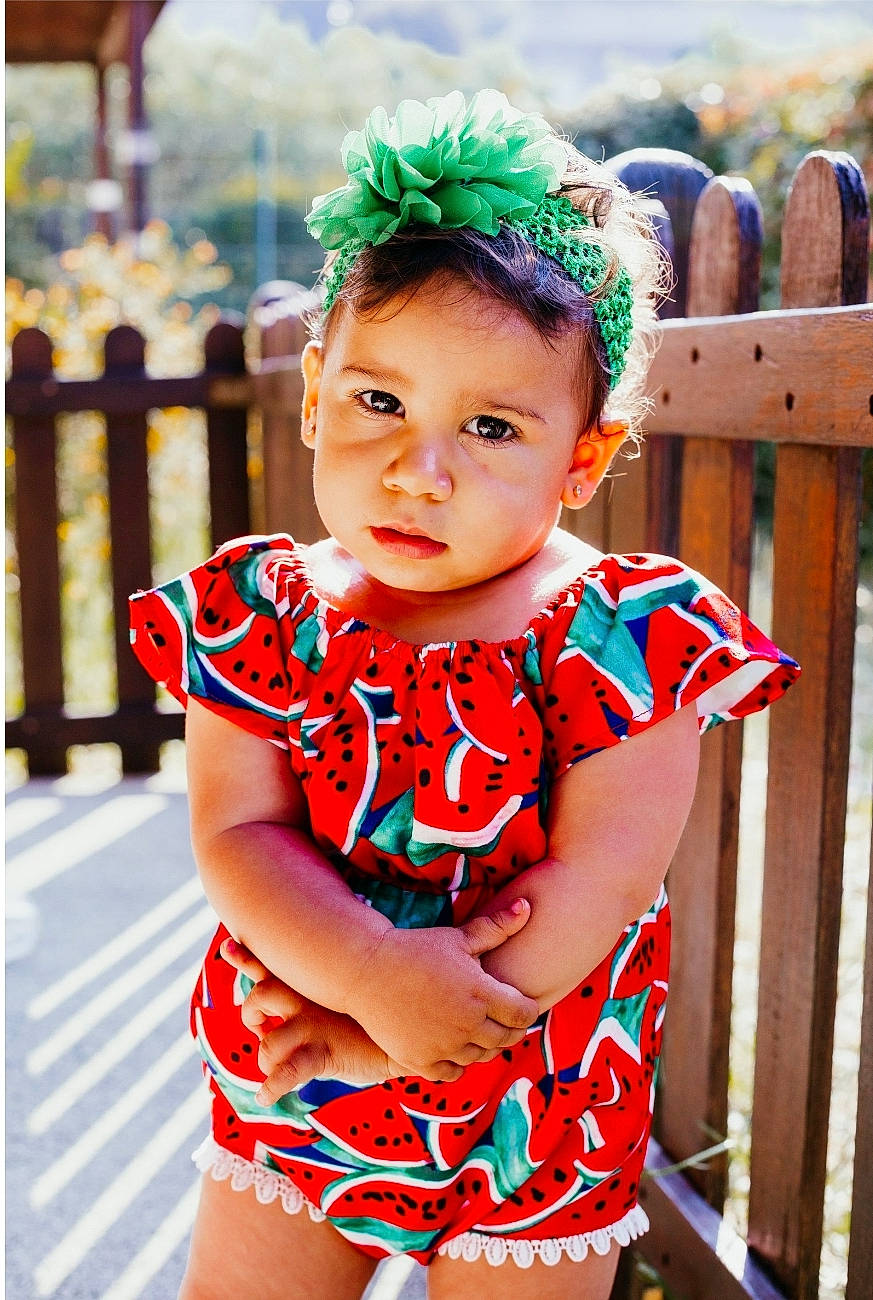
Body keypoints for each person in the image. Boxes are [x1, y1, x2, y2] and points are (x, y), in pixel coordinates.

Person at [129, 90, 800, 1300]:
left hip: (533, 1093)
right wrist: (368, 976)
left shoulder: (619, 638)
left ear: (583, 459)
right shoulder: (263, 615)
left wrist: (403, 1024)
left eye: (490, 426)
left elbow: (604, 878)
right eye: (380, 401)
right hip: (304, 1048)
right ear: (316, 387)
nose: (417, 471)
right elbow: (238, 831)